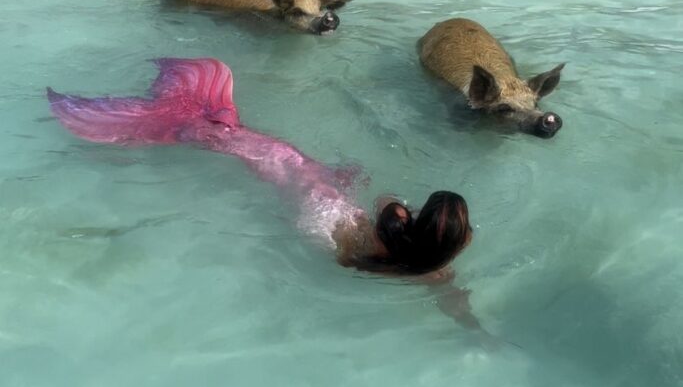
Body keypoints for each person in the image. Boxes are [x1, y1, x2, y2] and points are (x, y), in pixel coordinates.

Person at [47, 58, 477, 323]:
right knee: (275, 159)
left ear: (414, 223)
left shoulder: (392, 223)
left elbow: (385, 198)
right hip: (319, 223)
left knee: (255, 148)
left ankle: (167, 121)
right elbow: (451, 295)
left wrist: (393, 205)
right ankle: (198, 127)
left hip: (319, 207)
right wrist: (475, 331)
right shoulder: (419, 267)